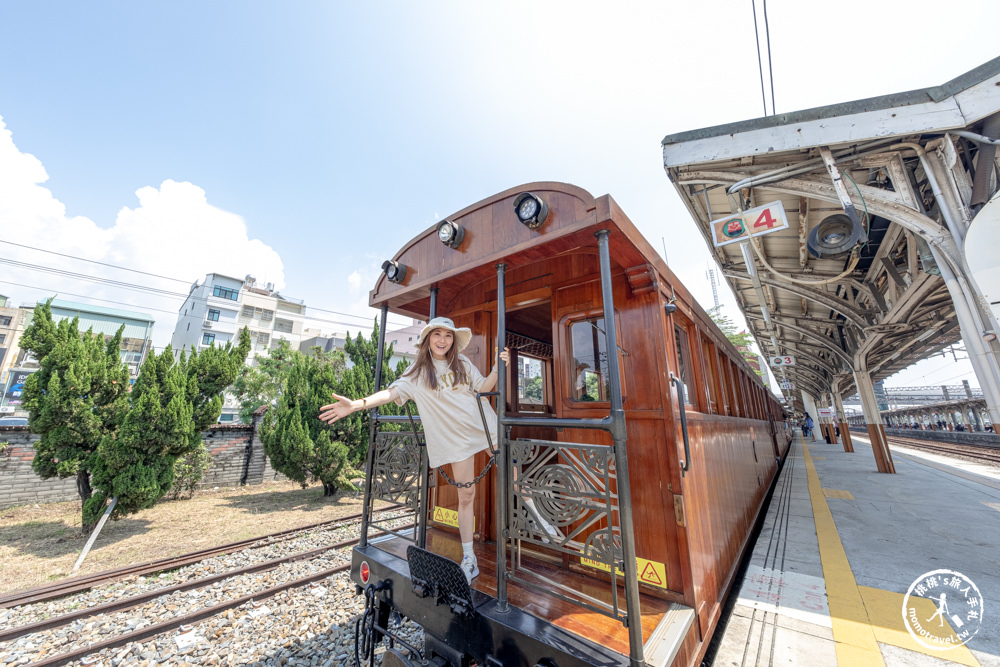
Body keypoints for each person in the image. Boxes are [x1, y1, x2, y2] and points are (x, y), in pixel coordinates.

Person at [319, 317, 509, 585]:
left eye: (448, 335)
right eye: (437, 334)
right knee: (466, 496)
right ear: (428, 339)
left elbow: (484, 388)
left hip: (486, 428)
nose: (443, 340)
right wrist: (357, 404)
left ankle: (539, 520)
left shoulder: (462, 363)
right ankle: (469, 558)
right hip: (457, 442)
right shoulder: (417, 373)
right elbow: (390, 393)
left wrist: (498, 368)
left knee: (513, 477)